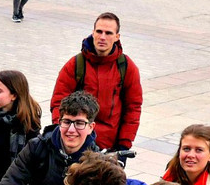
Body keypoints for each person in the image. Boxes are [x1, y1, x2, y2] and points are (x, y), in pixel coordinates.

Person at [50, 13, 143, 153]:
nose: (103, 37)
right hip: (78, 145)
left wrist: (124, 146)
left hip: (110, 148)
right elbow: (58, 103)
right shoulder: (75, 64)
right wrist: (66, 134)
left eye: (109, 33)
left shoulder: (127, 67)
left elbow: (133, 109)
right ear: (93, 33)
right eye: (99, 31)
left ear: (117, 37)